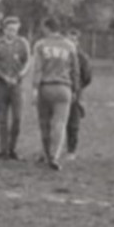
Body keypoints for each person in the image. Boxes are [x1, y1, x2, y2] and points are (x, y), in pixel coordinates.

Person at [30, 17, 79, 171]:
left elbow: (37, 68)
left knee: (44, 123)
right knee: (60, 123)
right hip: (64, 87)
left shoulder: (40, 44)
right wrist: (75, 89)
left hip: (46, 86)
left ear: (47, 28)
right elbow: (75, 70)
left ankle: (46, 154)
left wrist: (34, 88)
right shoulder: (70, 45)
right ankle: (55, 156)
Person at [0, 16, 31, 160]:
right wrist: (3, 76)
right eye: (9, 29)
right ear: (4, 29)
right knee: (2, 119)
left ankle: (12, 148)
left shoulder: (23, 43)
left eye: (14, 30)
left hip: (17, 85)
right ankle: (3, 150)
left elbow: (27, 62)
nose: (12, 32)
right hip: (1, 85)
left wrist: (20, 75)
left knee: (17, 118)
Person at [65, 28, 93, 160]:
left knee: (73, 122)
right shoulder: (62, 54)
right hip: (61, 88)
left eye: (74, 40)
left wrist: (78, 88)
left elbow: (87, 77)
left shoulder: (82, 57)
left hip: (75, 91)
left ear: (77, 42)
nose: (71, 42)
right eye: (69, 39)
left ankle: (71, 150)